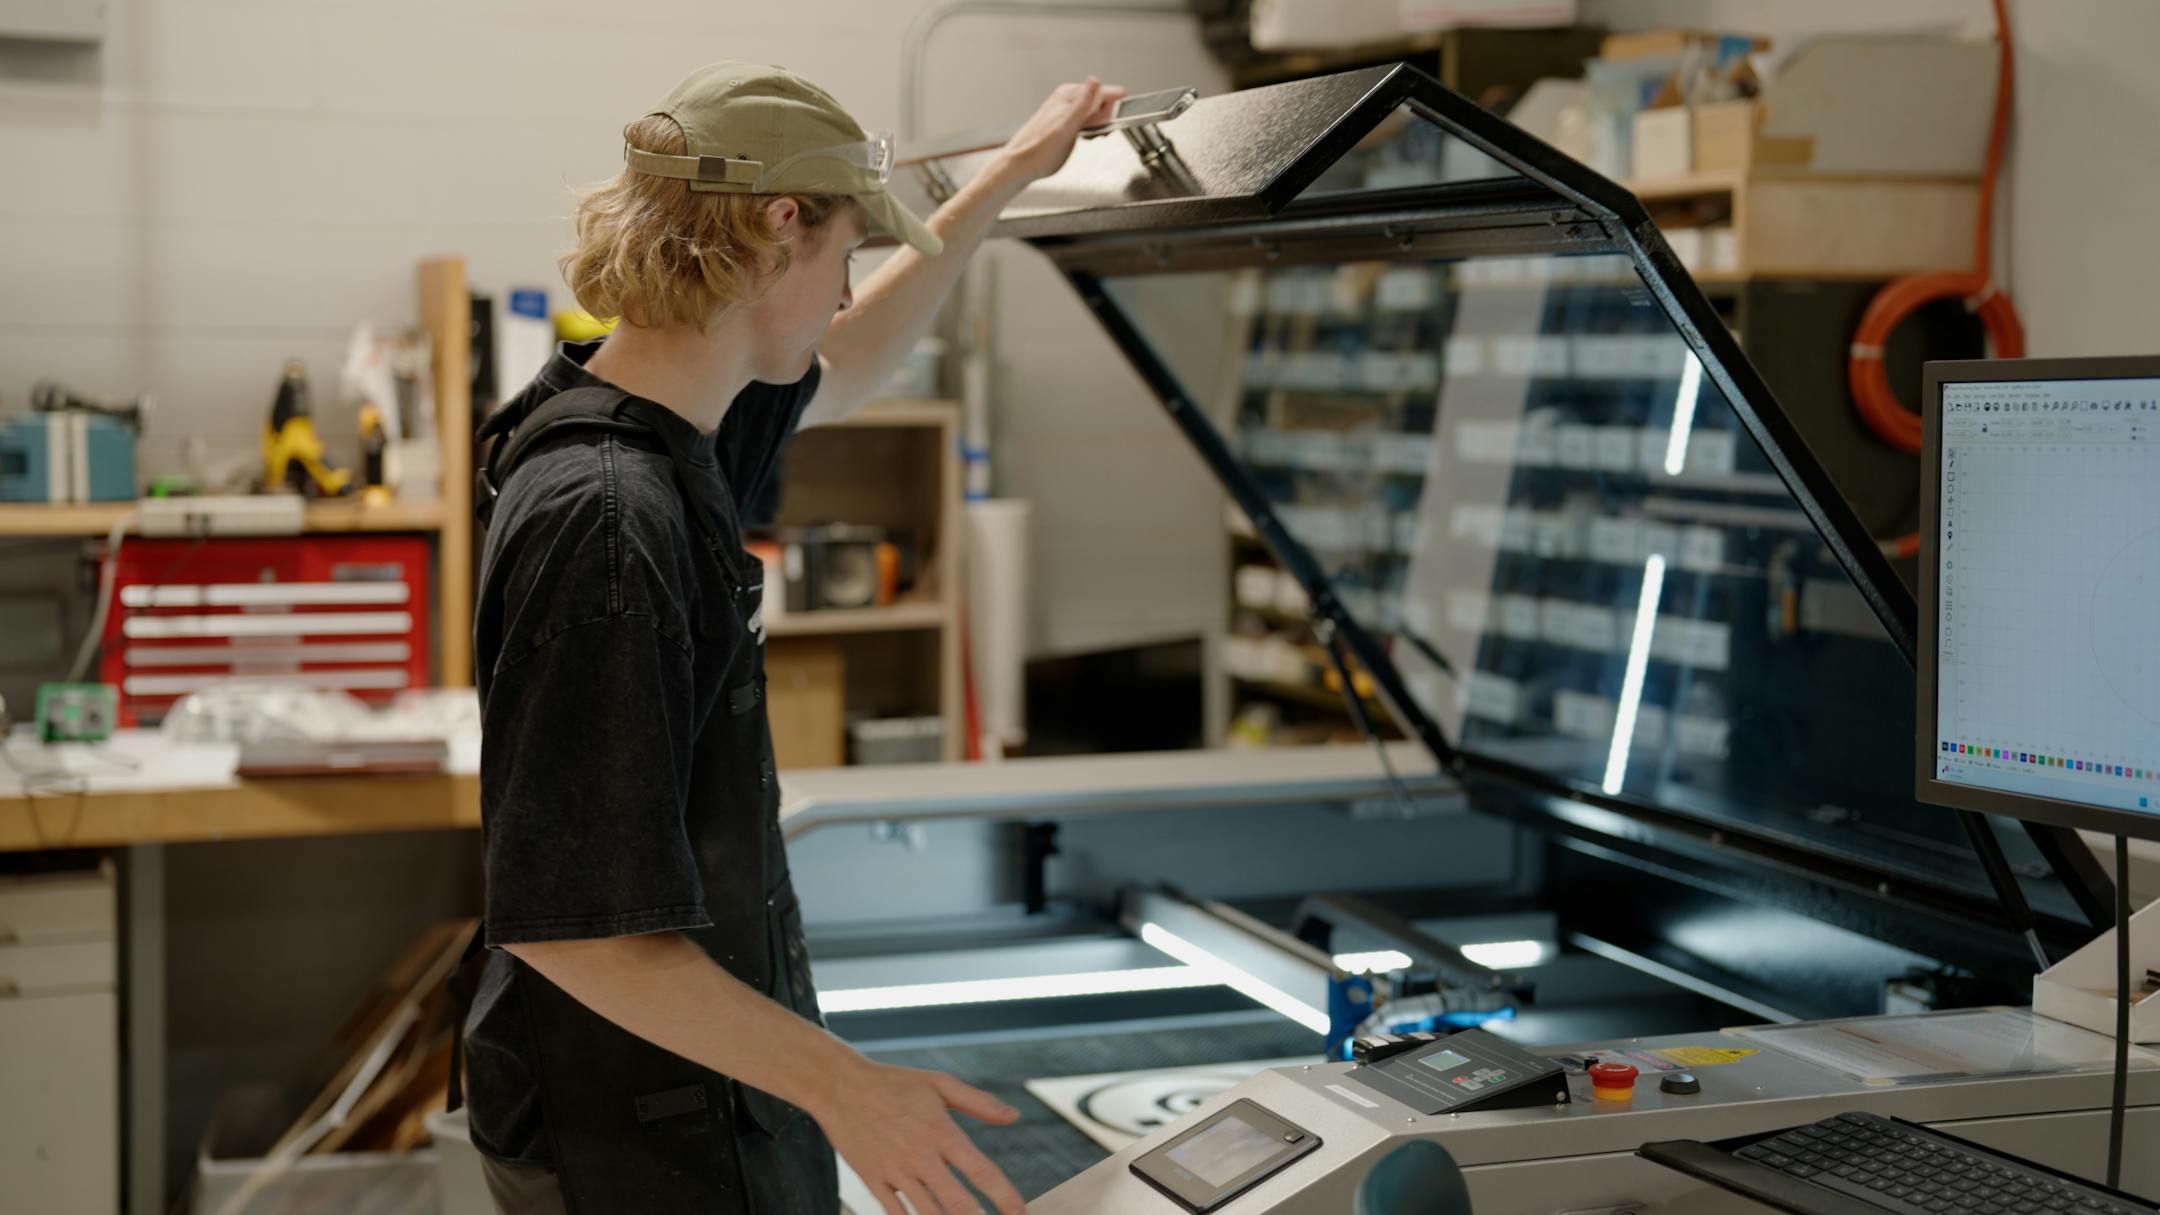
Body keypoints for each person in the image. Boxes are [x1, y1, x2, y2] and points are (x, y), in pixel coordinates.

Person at [457, 61, 1123, 1215]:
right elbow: (581, 928)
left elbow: (852, 362)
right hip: (634, 1134)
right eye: (846, 255)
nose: (847, 295)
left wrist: (1010, 176)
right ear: (777, 229)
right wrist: (849, 1090)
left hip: (693, 1089)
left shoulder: (663, 422)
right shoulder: (610, 519)